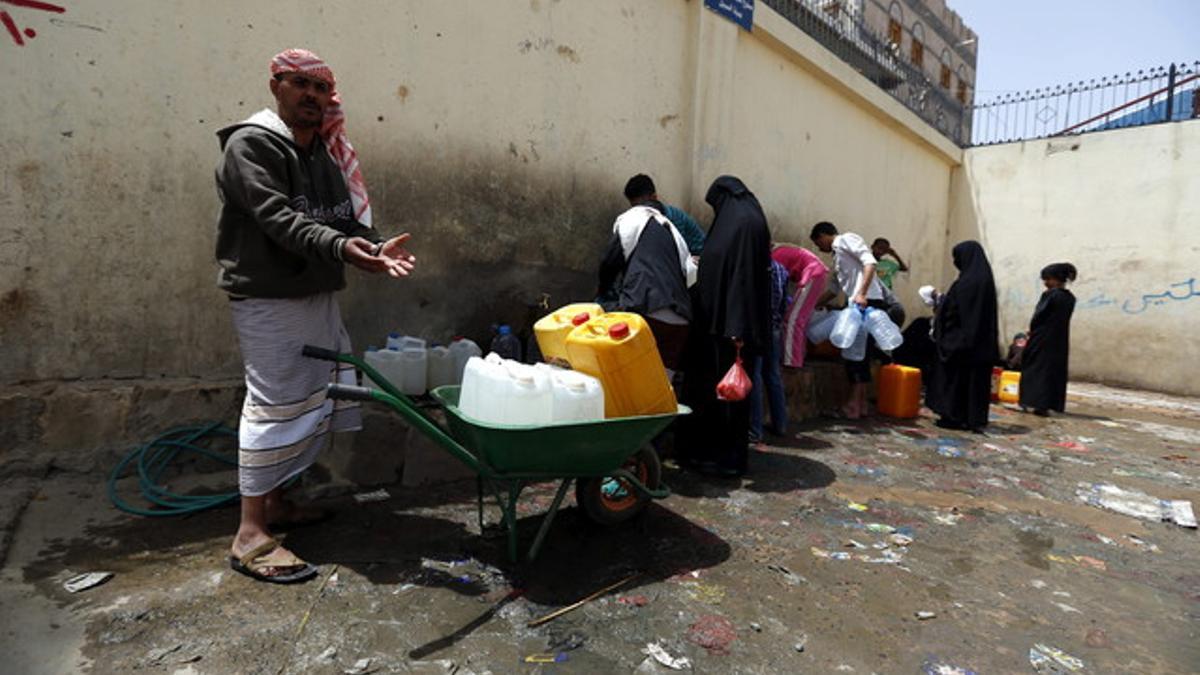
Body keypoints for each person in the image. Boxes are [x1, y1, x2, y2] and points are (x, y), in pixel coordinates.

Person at [216, 49, 416, 583]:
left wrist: (373, 249)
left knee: (309, 396)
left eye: (320, 88)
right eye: (299, 84)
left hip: (314, 293)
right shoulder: (251, 146)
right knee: (273, 404)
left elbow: (344, 221)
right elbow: (280, 220)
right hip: (269, 297)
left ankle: (279, 503)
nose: (311, 95)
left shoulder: (322, 155)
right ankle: (251, 534)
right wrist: (348, 250)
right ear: (276, 85)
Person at [679, 176, 771, 477]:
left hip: (731, 330)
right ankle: (719, 456)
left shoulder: (742, 223)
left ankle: (726, 459)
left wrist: (737, 327)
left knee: (727, 396)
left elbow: (742, 278)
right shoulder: (741, 220)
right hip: (722, 326)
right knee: (722, 394)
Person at [597, 175, 694, 371]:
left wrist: (603, 294)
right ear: (655, 196)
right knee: (663, 387)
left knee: (632, 380)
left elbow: (608, 263)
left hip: (644, 313)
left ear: (631, 202)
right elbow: (690, 274)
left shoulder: (631, 219)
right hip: (680, 321)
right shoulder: (673, 230)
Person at [810, 222, 887, 419]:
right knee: (858, 354)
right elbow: (834, 290)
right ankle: (859, 405)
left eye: (818, 243)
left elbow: (869, 262)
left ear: (823, 235)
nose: (820, 248)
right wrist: (811, 304)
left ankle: (853, 405)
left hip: (864, 303)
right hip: (855, 304)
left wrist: (861, 294)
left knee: (855, 355)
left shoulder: (846, 240)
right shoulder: (836, 258)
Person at [928, 241, 999, 432]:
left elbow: (952, 312)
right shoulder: (986, 283)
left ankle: (953, 416)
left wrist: (940, 305)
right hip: (981, 345)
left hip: (959, 343)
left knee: (954, 380)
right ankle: (973, 418)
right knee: (975, 384)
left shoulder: (965, 284)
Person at [1019, 263, 1078, 416]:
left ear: (1056, 279)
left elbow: (1039, 317)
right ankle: (1047, 404)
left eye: (1047, 279)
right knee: (1052, 372)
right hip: (1059, 340)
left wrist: (1032, 331)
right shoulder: (1069, 298)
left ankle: (1031, 401)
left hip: (1041, 338)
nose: (1045, 283)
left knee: (1034, 369)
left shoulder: (1051, 295)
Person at [749, 257, 789, 442]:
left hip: (758, 328)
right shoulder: (780, 269)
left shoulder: (754, 266)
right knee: (773, 375)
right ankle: (780, 424)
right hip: (774, 327)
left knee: (754, 376)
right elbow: (783, 303)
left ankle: (754, 430)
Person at [771, 244, 829, 368]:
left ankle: (791, 362)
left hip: (812, 275)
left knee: (792, 320)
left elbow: (777, 286)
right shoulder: (782, 251)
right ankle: (799, 356)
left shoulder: (775, 257)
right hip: (817, 274)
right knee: (799, 320)